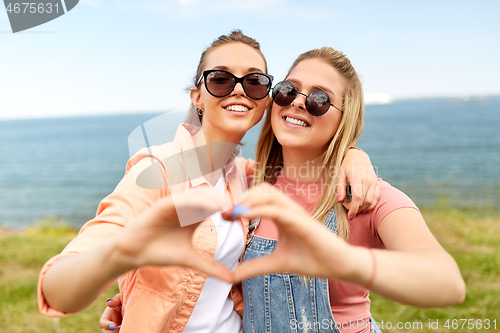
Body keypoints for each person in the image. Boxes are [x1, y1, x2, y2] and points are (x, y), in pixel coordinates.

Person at [38, 31, 379, 333]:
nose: (239, 90)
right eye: (220, 79)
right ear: (197, 96)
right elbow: (63, 286)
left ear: (265, 100)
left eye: (255, 81)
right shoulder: (159, 170)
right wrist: (118, 256)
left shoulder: (246, 177)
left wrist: (352, 153)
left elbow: (307, 162)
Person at [224, 47, 466, 333]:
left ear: (344, 118)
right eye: (289, 90)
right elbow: (178, 161)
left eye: (319, 99)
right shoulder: (247, 183)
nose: (298, 103)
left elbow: (448, 283)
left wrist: (345, 261)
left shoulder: (365, 197)